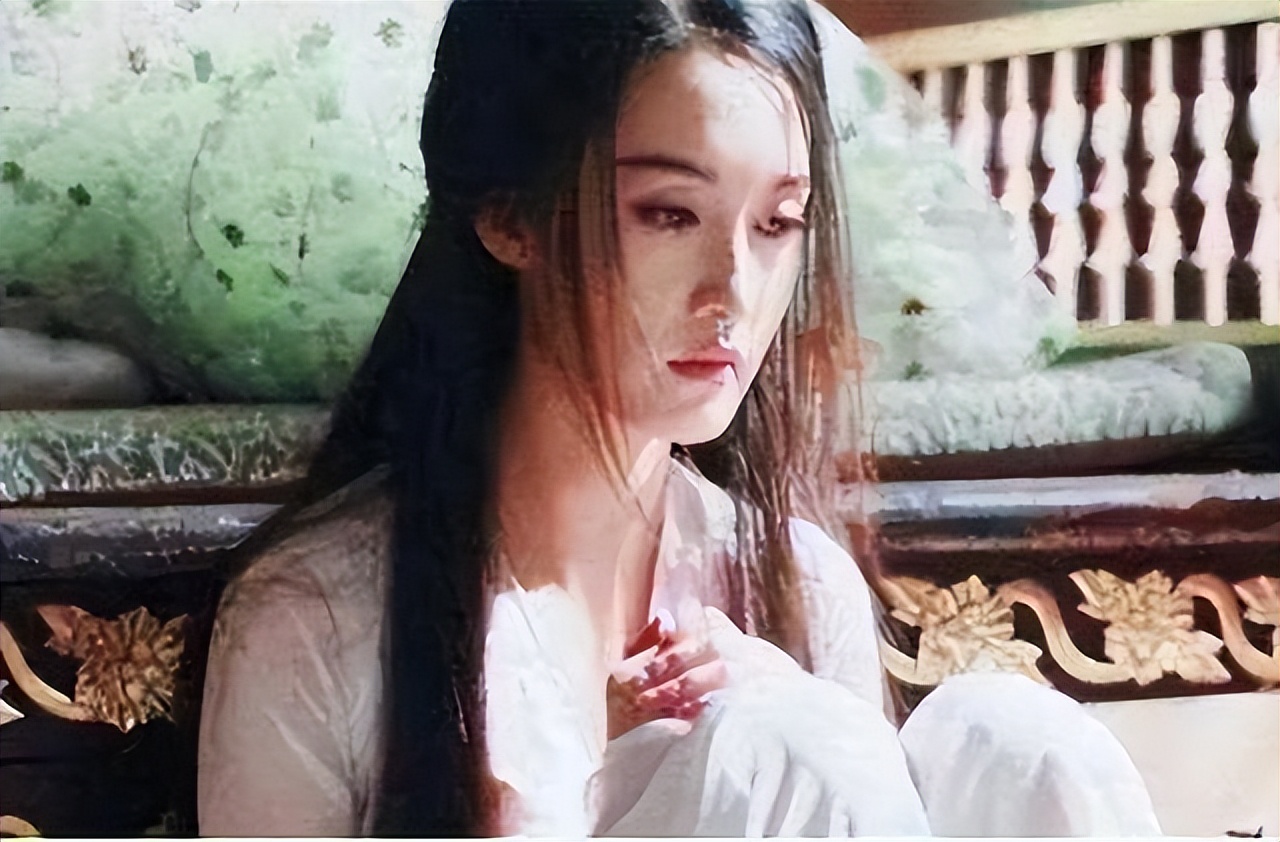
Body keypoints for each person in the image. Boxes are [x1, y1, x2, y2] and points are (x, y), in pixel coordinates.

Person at [197, 0, 1162, 836]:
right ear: (508, 216)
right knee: (777, 752)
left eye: (777, 223)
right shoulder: (317, 616)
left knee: (1014, 742)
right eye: (668, 214)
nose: (732, 290)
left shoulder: (796, 582)